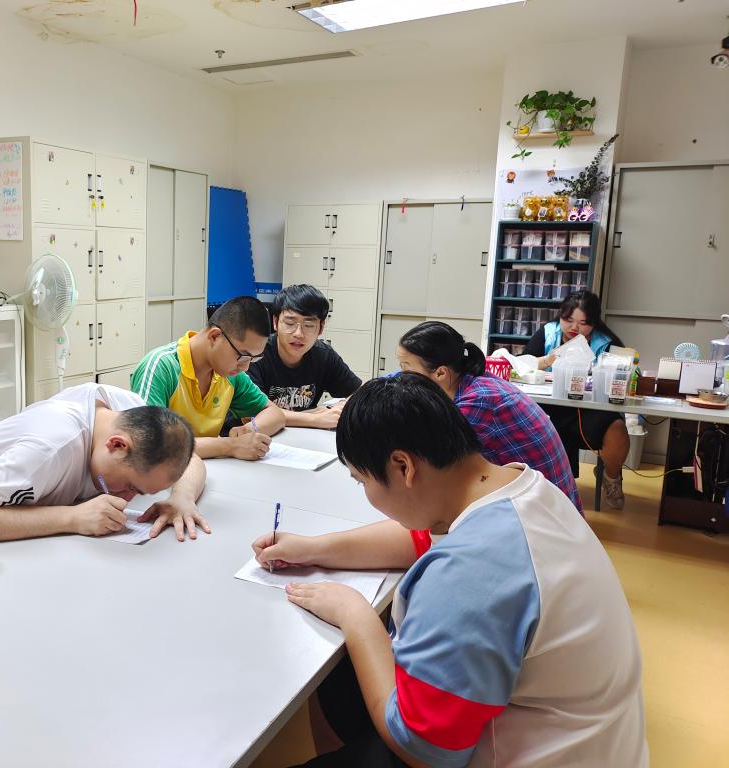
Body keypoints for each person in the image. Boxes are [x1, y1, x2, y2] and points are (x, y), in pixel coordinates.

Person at [253, 374, 647, 767]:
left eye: (362, 481)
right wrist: (314, 549)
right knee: (340, 680)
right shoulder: (518, 489)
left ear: (403, 467)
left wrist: (356, 616)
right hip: (594, 741)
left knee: (352, 661)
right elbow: (419, 538)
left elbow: (423, 750)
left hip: (520, 754)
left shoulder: (472, 568)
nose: (366, 493)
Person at [0, 383, 207, 542]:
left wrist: (182, 497)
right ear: (117, 445)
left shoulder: (131, 412)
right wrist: (71, 518)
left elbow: (187, 458)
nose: (127, 499)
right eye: (131, 486)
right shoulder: (48, 447)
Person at [397, 321, 581, 520]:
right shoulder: (474, 380)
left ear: (441, 372)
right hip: (549, 503)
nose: (401, 377)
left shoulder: (477, 402)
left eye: (406, 368)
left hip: (547, 516)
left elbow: (431, 462)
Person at [131, 296, 286, 460]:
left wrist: (249, 429)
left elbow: (275, 414)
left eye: (253, 359)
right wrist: (231, 445)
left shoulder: (230, 375)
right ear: (215, 336)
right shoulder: (161, 367)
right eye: (243, 356)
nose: (245, 367)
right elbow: (149, 443)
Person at [524, 290, 631, 509]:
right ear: (560, 316)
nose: (574, 327)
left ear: (594, 323)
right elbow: (520, 366)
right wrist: (546, 360)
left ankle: (611, 477)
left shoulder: (606, 343)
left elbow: (623, 377)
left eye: (583, 323)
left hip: (591, 411)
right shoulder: (548, 333)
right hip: (550, 408)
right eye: (568, 320)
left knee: (617, 430)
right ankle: (548, 486)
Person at [245, 284, 362, 430]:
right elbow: (255, 412)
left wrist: (341, 407)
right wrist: (314, 417)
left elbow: (360, 394)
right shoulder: (256, 354)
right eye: (290, 323)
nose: (298, 333)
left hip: (304, 436)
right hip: (257, 436)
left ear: (321, 327)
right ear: (275, 322)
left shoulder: (324, 355)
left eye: (309, 325)